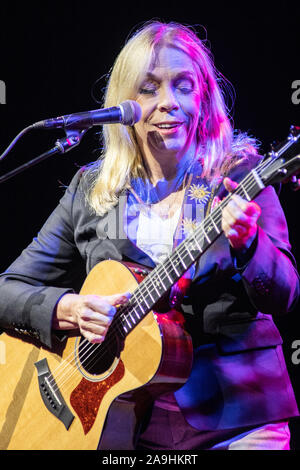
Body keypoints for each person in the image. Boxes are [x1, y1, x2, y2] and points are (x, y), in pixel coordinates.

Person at [0, 21, 299, 451]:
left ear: (204, 96)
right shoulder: (94, 190)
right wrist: (68, 308)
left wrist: (247, 244)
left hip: (237, 418)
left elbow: (284, 294)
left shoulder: (236, 176)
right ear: (124, 103)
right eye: (148, 88)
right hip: (127, 421)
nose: (168, 103)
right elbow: (8, 289)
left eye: (183, 85)